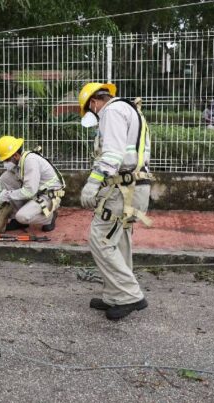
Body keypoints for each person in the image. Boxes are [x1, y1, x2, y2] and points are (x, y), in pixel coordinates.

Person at [77, 82, 153, 320]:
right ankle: (114, 295)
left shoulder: (111, 111)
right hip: (135, 187)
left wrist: (92, 184)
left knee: (100, 239)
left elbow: (112, 154)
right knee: (120, 241)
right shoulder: (129, 109)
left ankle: (129, 294)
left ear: (93, 103)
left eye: (90, 112)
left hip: (121, 189)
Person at [0, 135, 64, 232]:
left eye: (6, 160)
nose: (5, 163)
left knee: (22, 217)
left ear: (15, 155)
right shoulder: (18, 164)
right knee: (7, 178)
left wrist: (7, 195)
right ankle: (18, 221)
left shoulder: (30, 162)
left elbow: (29, 192)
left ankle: (49, 218)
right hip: (37, 192)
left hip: (48, 195)